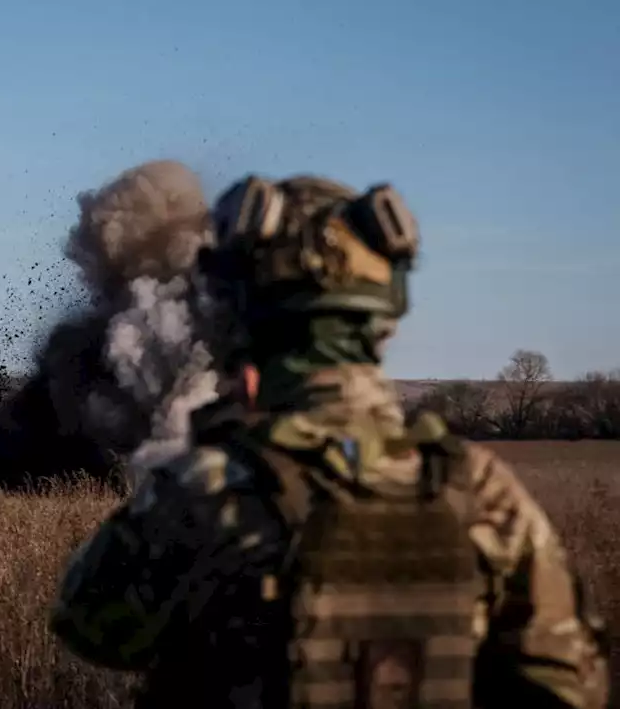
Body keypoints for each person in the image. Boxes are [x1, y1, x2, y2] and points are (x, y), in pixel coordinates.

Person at [48, 173, 610, 708]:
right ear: (384, 318)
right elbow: (568, 684)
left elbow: (88, 625)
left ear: (240, 317)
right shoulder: (481, 491)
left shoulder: (206, 490)